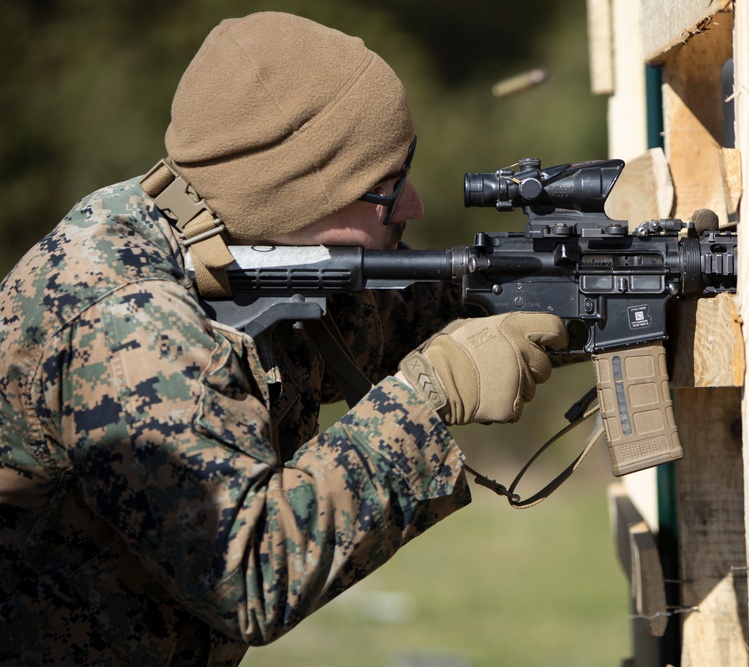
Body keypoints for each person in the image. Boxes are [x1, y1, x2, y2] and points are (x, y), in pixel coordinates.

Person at [0, 12, 567, 666]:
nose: (412, 205)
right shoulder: (129, 324)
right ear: (296, 199)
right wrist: (430, 394)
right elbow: (248, 570)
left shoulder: (220, 231)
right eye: (383, 190)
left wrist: (549, 282)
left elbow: (377, 315)